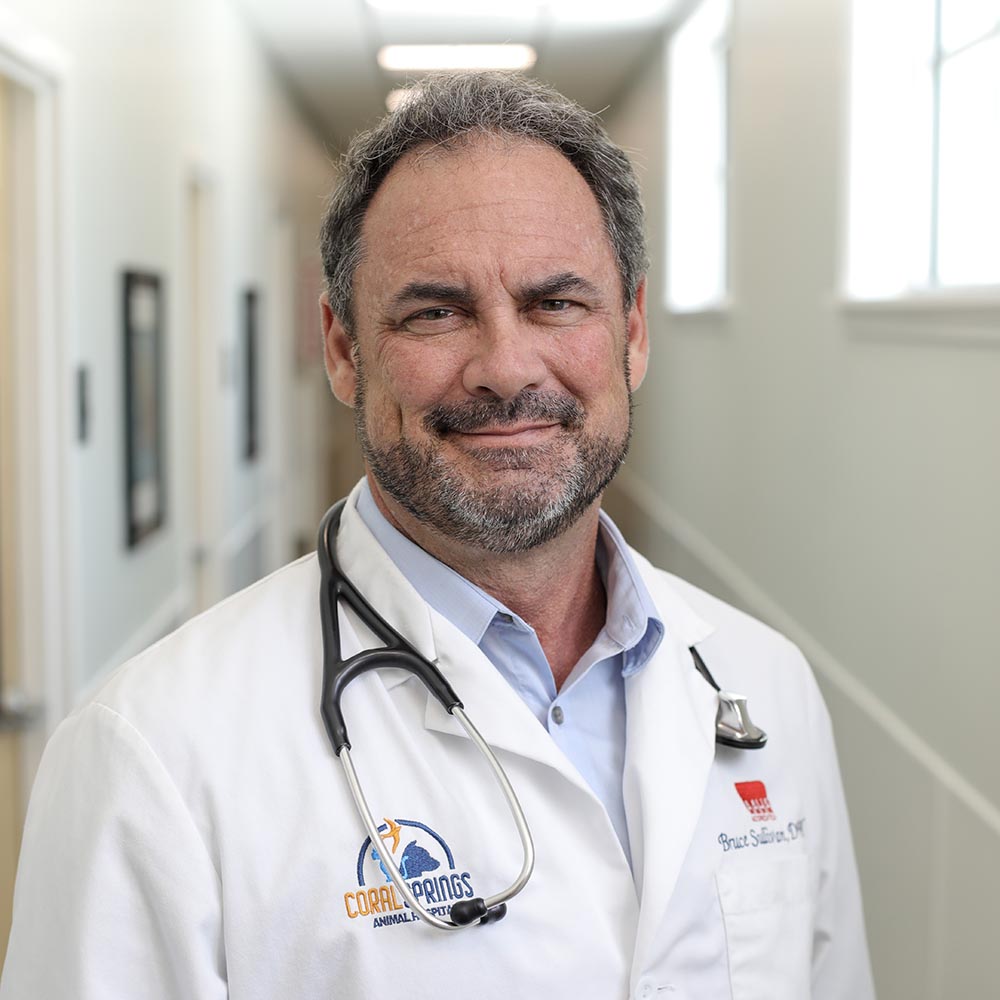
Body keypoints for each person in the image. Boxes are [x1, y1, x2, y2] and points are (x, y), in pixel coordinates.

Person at [1, 73, 874, 999]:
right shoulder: (153, 757)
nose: (506, 368)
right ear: (343, 349)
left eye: (556, 303)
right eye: (436, 312)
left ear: (632, 332)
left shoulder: (765, 685)